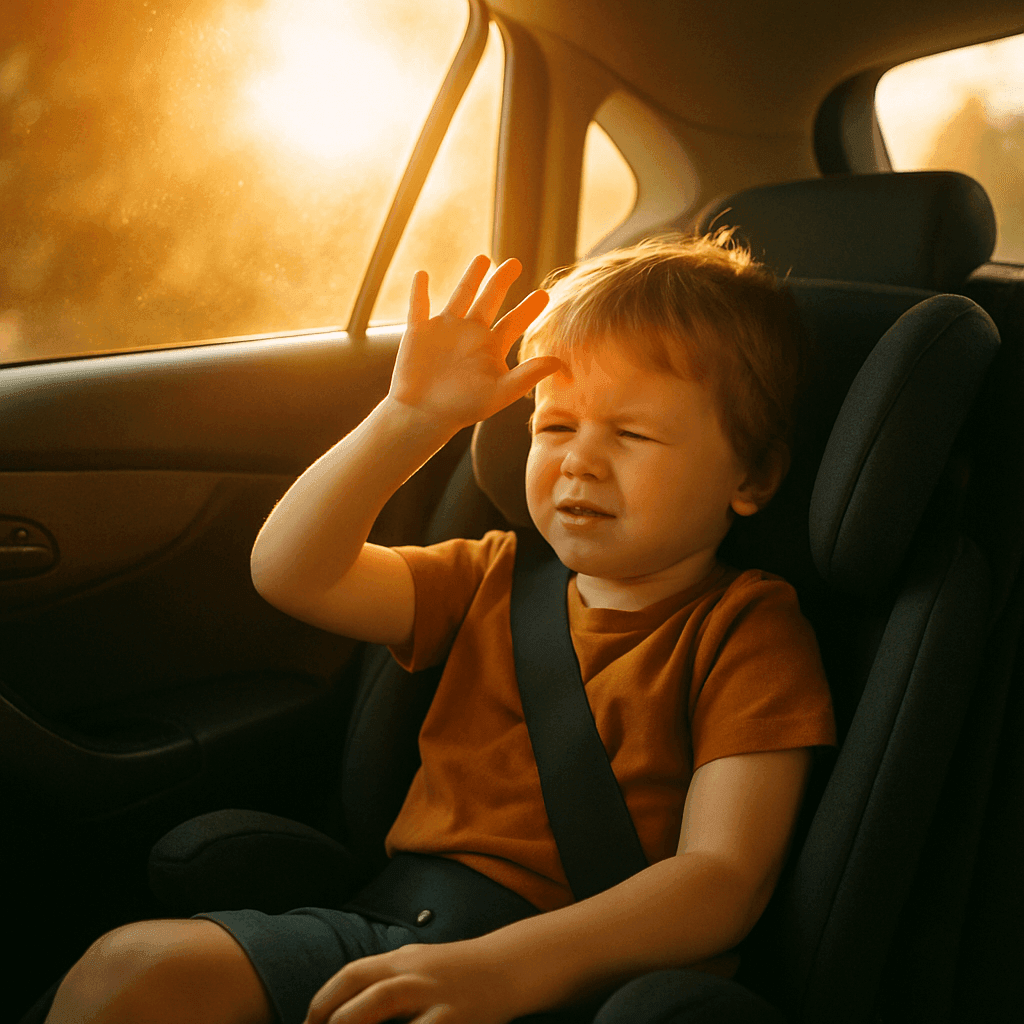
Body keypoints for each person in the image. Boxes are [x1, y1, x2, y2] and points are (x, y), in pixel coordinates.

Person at [45, 235, 835, 1024]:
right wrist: (410, 417)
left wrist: (499, 971)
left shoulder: (747, 629)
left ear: (752, 477)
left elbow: (724, 878)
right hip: (394, 927)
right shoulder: (491, 576)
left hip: (577, 977)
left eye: (632, 435)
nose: (580, 462)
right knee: (132, 968)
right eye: (556, 427)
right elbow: (292, 571)